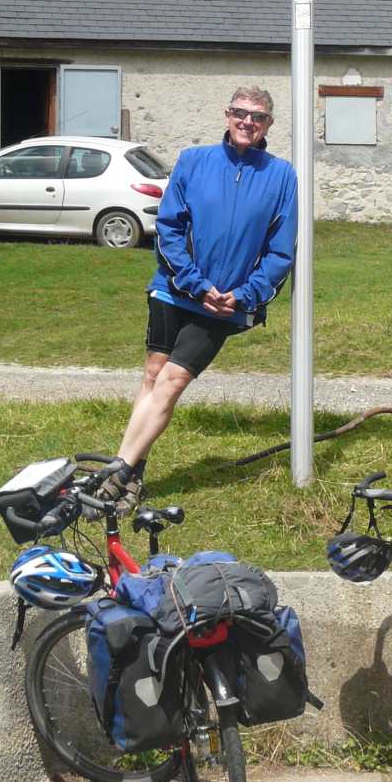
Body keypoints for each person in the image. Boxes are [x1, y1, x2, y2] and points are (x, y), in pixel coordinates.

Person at [99, 86, 298, 511]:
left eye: (258, 117)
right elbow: (169, 227)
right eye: (241, 113)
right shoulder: (193, 161)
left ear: (269, 125)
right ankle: (131, 476)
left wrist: (243, 296)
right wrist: (195, 283)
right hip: (176, 289)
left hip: (226, 303)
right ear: (227, 115)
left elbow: (281, 251)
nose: (248, 122)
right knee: (153, 375)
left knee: (172, 381)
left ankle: (117, 471)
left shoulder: (282, 175)